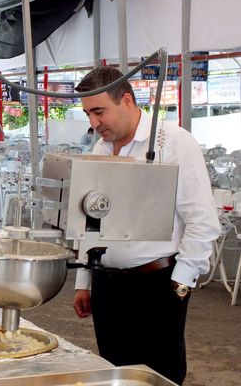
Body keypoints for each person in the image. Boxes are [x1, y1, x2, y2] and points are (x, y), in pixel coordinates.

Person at [72, 67, 220, 385]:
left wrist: (179, 285)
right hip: (107, 286)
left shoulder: (173, 143)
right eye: (87, 114)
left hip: (157, 283)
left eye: (99, 112)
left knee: (158, 375)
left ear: (126, 100)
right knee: (116, 373)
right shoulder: (100, 149)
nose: (93, 124)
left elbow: (202, 220)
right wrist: (84, 280)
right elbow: (91, 222)